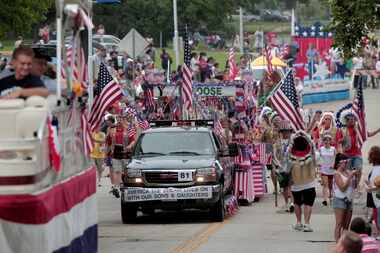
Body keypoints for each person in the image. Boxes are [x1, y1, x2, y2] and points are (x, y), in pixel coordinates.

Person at [336, 113, 380, 190]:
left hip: (357, 154)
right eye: (350, 119)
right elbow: (338, 141)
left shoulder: (358, 129)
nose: (352, 121)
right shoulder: (342, 130)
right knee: (348, 172)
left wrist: (378, 130)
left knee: (359, 169)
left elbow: (368, 134)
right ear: (346, 121)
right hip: (346, 154)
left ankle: (356, 186)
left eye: (353, 119)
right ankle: (350, 186)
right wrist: (342, 140)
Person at [333, 153, 357, 241]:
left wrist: (355, 177)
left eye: (347, 162)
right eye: (345, 162)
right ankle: (338, 244)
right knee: (339, 223)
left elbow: (354, 186)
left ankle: (344, 244)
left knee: (346, 226)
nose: (347, 164)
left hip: (349, 200)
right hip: (340, 200)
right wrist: (350, 177)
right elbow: (342, 188)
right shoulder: (336, 174)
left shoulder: (348, 172)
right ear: (339, 163)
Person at [273, 120, 294, 212]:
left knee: (292, 185)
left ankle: (292, 203)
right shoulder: (277, 143)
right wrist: (277, 164)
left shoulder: (293, 142)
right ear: (281, 132)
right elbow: (274, 156)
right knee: (284, 187)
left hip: (291, 166)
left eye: (288, 131)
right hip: (281, 168)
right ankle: (286, 203)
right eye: (284, 131)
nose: (286, 133)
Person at [365, 146, 380, 233]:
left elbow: (376, 186)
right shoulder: (376, 169)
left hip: (378, 201)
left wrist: (369, 188)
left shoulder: (376, 170)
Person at [319, 134, 337, 206]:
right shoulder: (321, 149)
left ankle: (331, 198)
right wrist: (319, 166)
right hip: (324, 170)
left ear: (330, 141)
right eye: (325, 140)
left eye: (328, 140)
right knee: (325, 185)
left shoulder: (333, 149)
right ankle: (325, 200)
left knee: (330, 185)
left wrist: (334, 165)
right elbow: (318, 158)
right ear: (323, 141)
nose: (326, 141)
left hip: (331, 170)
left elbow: (336, 158)